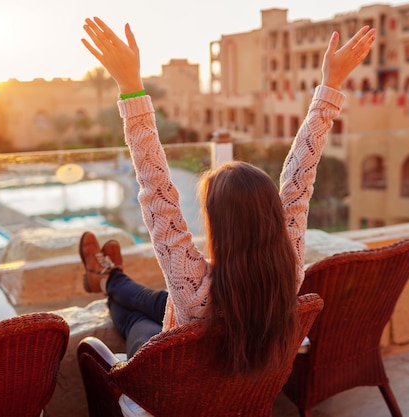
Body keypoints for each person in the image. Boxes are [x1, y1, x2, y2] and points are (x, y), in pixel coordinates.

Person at [79, 16, 376, 373]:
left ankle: (108, 280)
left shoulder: (194, 287)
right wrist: (330, 86)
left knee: (131, 316)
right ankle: (108, 278)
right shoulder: (289, 267)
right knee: (146, 298)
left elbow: (156, 192)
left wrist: (130, 86)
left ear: (219, 223)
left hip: (175, 378)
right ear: (269, 214)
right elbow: (299, 182)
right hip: (212, 342)